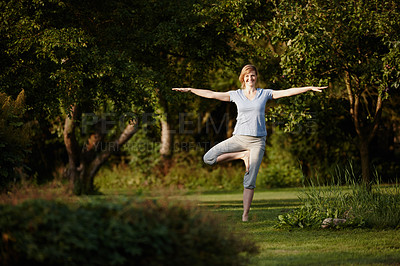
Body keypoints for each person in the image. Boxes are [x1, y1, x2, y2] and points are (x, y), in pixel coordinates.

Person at [173, 64, 326, 221]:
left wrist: (309, 88)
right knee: (208, 158)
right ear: (243, 78)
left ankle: (245, 215)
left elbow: (287, 92)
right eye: (247, 76)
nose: (250, 78)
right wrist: (191, 89)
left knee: (250, 179)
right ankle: (242, 155)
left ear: (256, 77)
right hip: (238, 138)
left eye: (252, 75)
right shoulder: (236, 95)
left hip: (257, 142)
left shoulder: (264, 93)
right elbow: (212, 94)